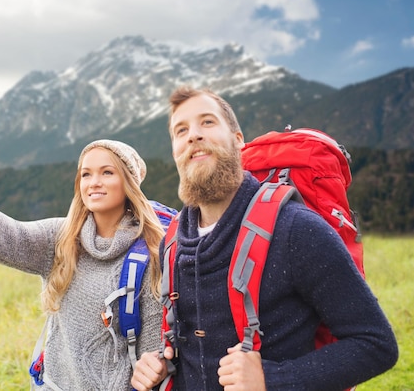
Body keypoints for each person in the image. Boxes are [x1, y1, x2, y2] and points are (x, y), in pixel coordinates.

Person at [131, 86, 399, 391]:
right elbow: (192, 345)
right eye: (181, 130)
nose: (194, 135)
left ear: (238, 140)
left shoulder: (296, 229)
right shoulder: (174, 241)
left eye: (207, 122)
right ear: (175, 151)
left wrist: (272, 379)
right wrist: (156, 365)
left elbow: (376, 344)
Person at [0, 139, 171, 390]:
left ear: (129, 182)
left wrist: (154, 365)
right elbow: (9, 236)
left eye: (107, 172)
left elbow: (152, 349)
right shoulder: (61, 238)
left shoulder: (149, 254)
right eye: (86, 174)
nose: (94, 182)